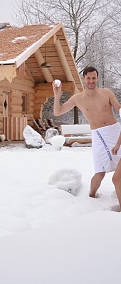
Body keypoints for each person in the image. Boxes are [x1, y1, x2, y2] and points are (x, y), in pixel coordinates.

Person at [52, 66, 121, 210]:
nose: (91, 81)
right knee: (100, 172)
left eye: (94, 78)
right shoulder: (77, 98)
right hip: (98, 136)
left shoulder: (106, 93)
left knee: (118, 174)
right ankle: (92, 196)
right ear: (84, 79)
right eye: (88, 78)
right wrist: (57, 95)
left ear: (97, 78)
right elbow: (58, 112)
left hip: (114, 132)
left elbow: (118, 108)